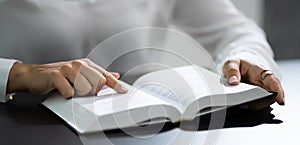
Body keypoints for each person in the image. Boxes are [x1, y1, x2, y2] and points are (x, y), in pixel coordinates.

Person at [0, 0, 284, 105]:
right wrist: (18, 74)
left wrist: (247, 58)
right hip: (19, 131)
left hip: (139, 132)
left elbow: (235, 31)